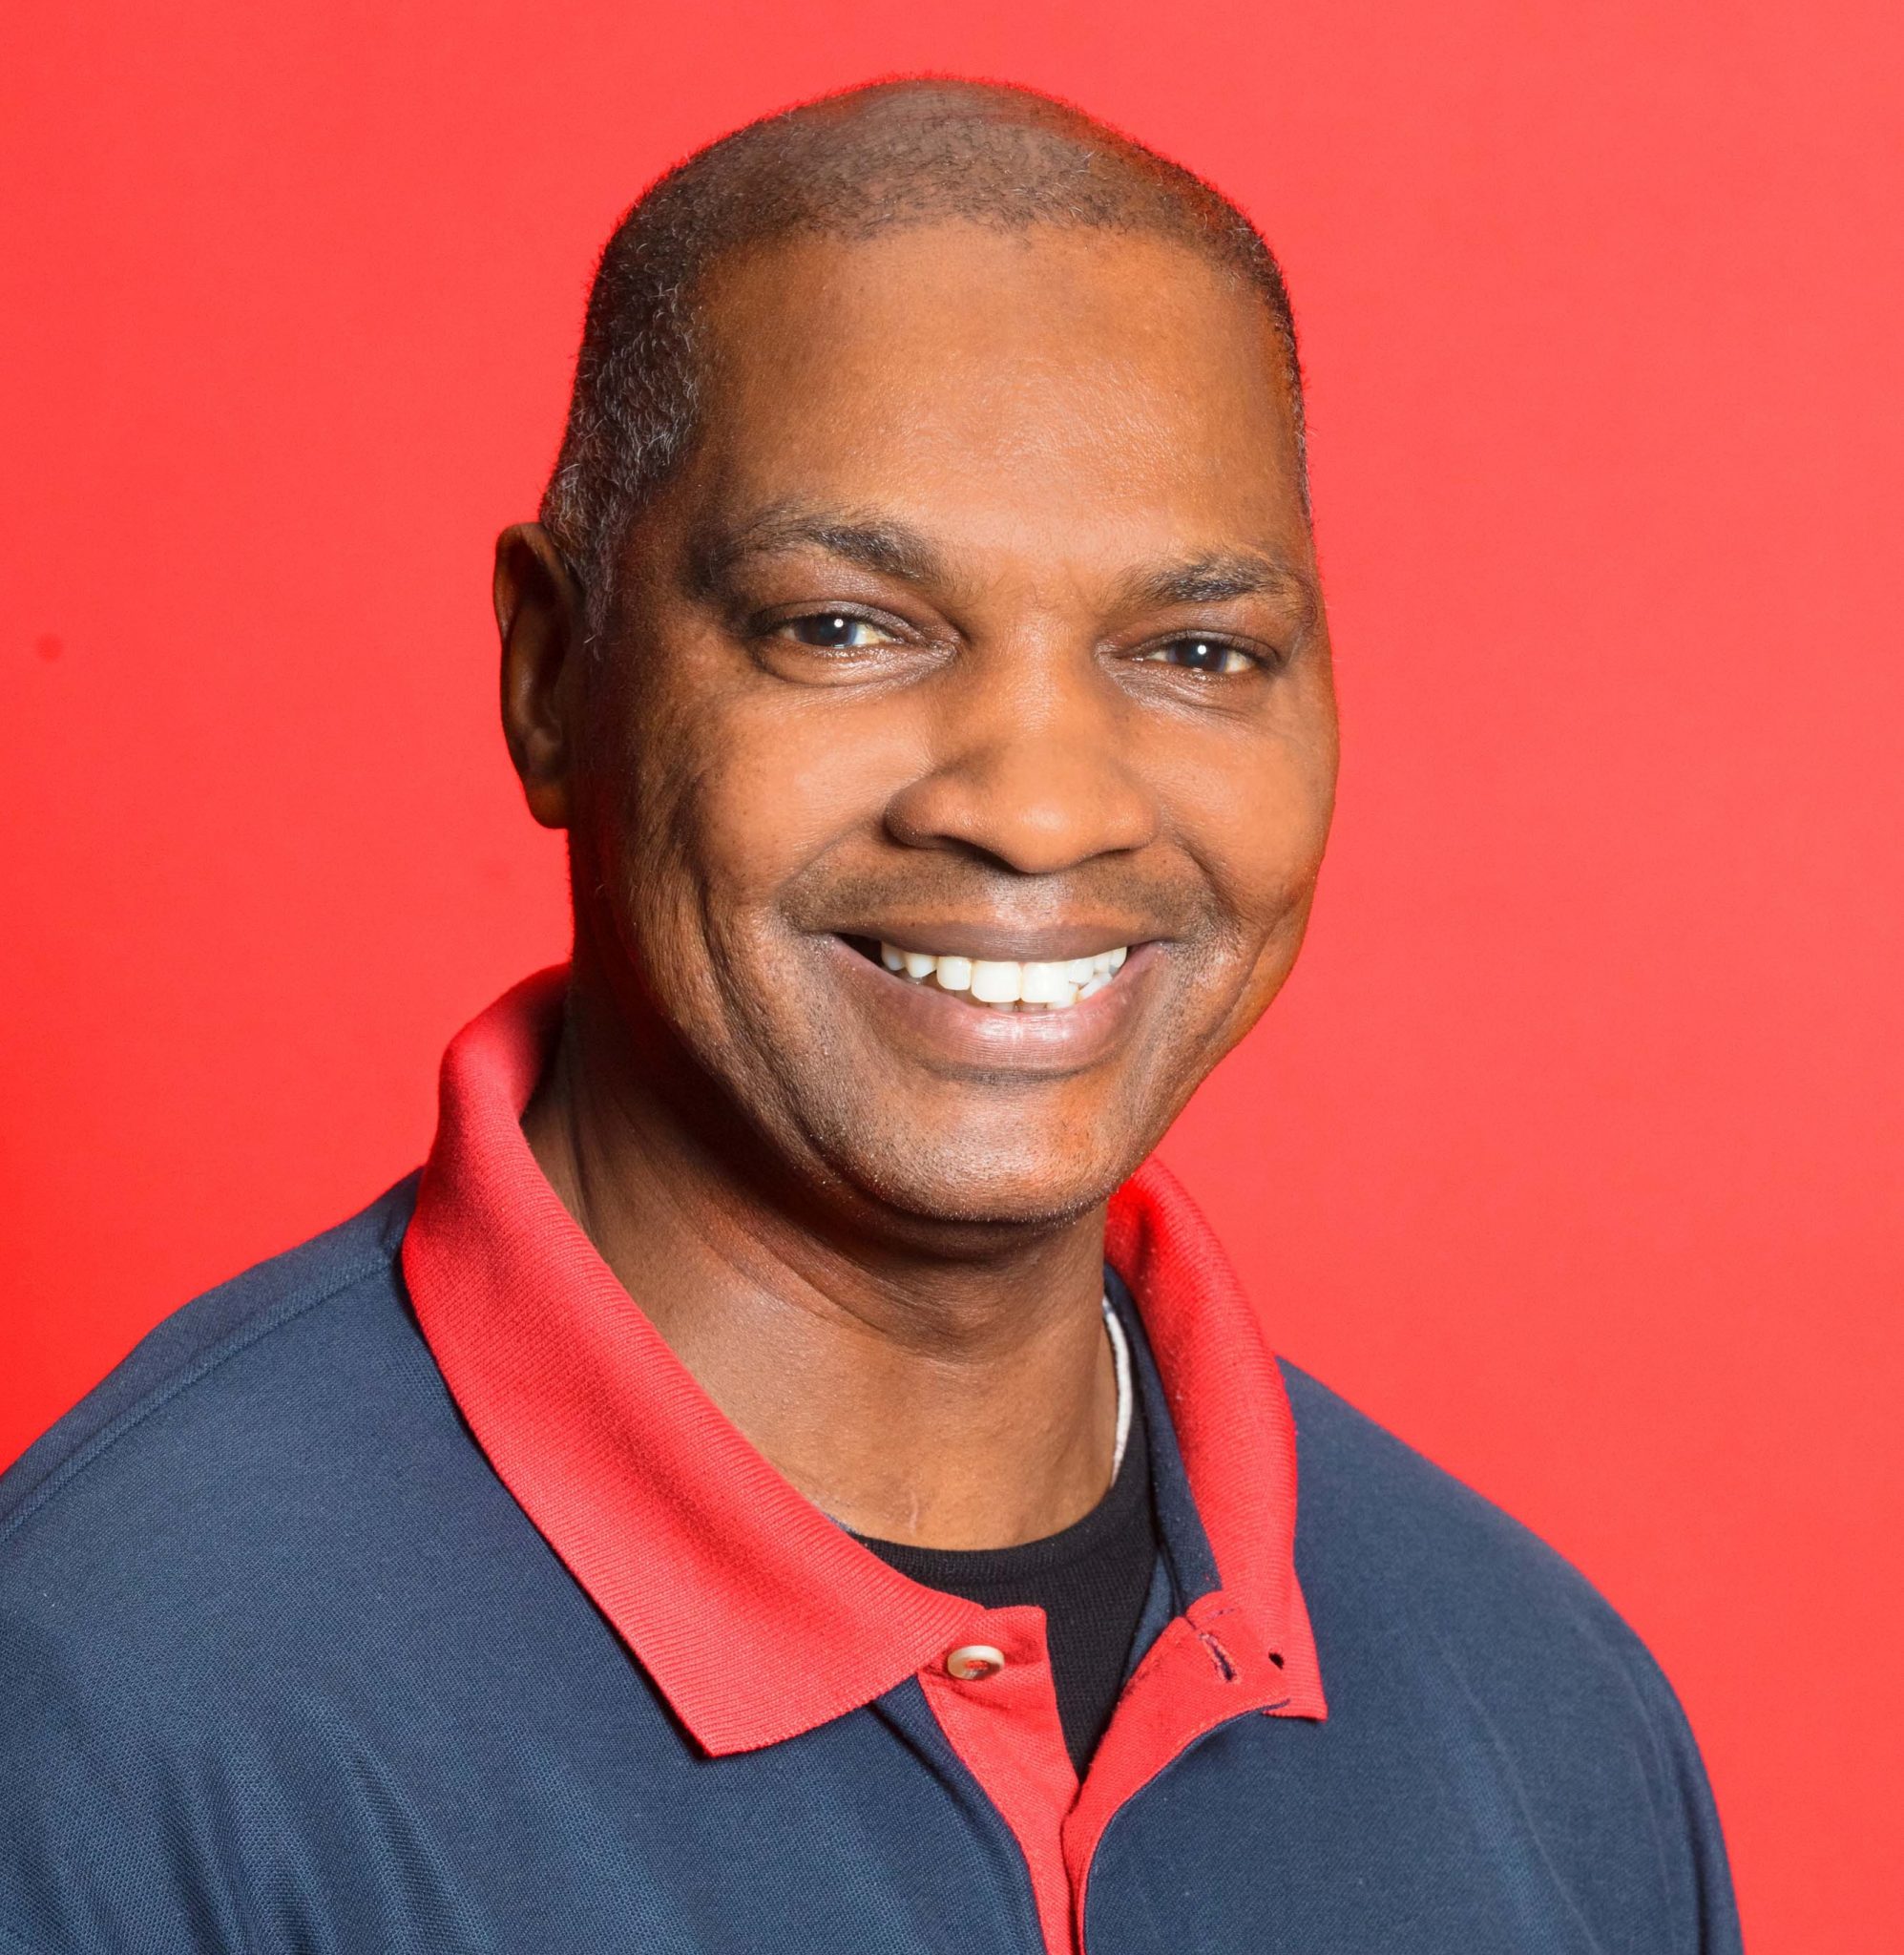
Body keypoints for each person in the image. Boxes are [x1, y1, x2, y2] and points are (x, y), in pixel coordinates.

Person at [0, 78, 1740, 1954]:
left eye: (1194, 651)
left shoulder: (1549, 1716)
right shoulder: (110, 1707)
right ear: (550, 673)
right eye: (843, 626)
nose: (1040, 807)